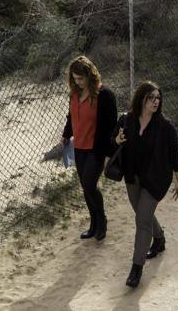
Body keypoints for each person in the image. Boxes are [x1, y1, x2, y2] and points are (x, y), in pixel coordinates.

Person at [113, 81, 178, 288]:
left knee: (142, 220)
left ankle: (136, 268)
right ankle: (159, 239)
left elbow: (175, 153)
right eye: (151, 98)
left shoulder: (165, 126)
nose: (155, 101)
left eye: (158, 98)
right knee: (142, 213)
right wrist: (116, 140)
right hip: (132, 177)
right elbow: (112, 142)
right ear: (141, 99)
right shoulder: (127, 120)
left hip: (156, 179)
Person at [61, 55, 118, 240]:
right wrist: (66, 134)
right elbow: (72, 117)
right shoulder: (75, 94)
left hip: (96, 148)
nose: (78, 82)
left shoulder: (104, 95)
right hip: (79, 147)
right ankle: (93, 224)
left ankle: (102, 221)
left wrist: (109, 151)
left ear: (90, 75)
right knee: (85, 187)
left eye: (81, 78)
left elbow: (111, 125)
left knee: (89, 185)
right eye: (75, 79)